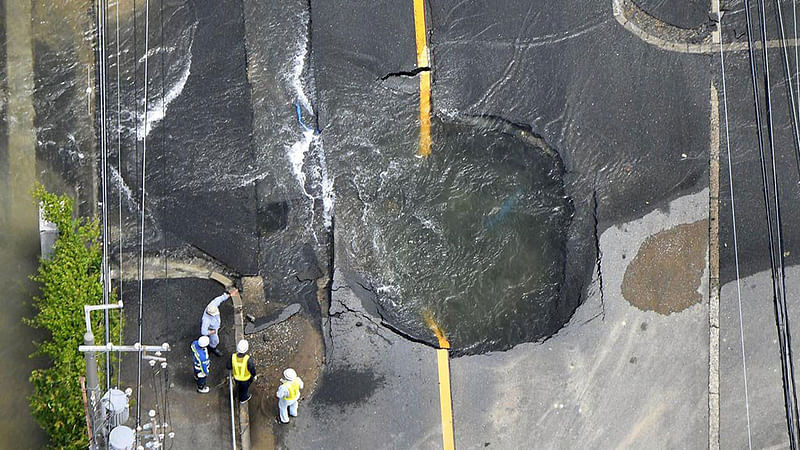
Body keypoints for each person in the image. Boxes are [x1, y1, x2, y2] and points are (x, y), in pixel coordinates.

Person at [201, 287, 238, 356]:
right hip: (212, 329)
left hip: (215, 326)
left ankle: (210, 347)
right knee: (215, 341)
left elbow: (219, 299)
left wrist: (230, 295)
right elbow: (203, 332)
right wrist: (212, 332)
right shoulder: (206, 320)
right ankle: (211, 348)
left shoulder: (212, 306)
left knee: (214, 340)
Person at [226, 339, 257, 403]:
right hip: (246, 379)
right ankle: (243, 398)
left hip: (236, 378)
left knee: (239, 386)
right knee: (244, 390)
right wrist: (254, 375)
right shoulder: (248, 359)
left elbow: (228, 366)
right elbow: (252, 369)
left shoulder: (233, 357)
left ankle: (238, 390)